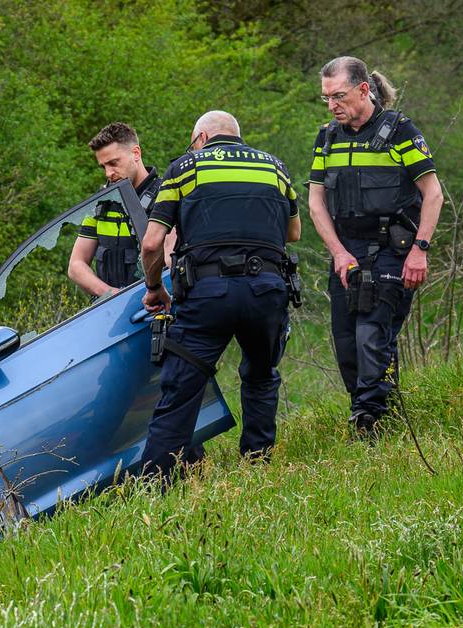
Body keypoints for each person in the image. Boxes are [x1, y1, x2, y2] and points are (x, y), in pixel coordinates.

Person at [137, 111, 300, 477]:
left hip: (208, 294)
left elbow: (151, 243)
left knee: (181, 387)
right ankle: (257, 467)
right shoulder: (275, 167)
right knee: (261, 375)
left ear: (202, 138)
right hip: (266, 290)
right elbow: (293, 233)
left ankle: (156, 482)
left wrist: (154, 287)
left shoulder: (184, 168)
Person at [307, 56, 443, 438]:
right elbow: (316, 203)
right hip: (346, 252)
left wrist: (420, 250)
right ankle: (374, 411)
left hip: (390, 250)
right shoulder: (327, 137)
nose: (332, 105)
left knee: (372, 336)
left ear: (363, 89)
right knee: (348, 345)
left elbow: (433, 194)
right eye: (326, 98)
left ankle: (370, 425)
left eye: (339, 96)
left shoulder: (399, 130)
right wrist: (338, 252)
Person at [68, 122, 175, 298]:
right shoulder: (100, 203)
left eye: (113, 163)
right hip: (110, 308)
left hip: (154, 305)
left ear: (136, 153)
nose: (108, 173)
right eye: (103, 166)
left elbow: (171, 263)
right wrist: (111, 295)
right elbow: (76, 265)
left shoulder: (167, 196)